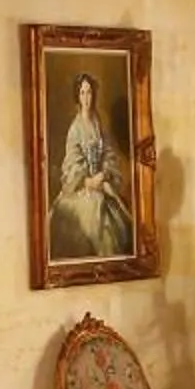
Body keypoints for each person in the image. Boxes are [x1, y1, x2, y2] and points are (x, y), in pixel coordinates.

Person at [51, 73, 133, 262]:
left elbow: (108, 153)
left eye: (89, 93)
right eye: (82, 93)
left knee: (121, 223)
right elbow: (72, 163)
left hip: (101, 182)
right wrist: (87, 181)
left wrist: (104, 174)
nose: (86, 98)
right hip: (82, 189)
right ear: (77, 97)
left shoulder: (98, 124)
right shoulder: (75, 128)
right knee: (93, 219)